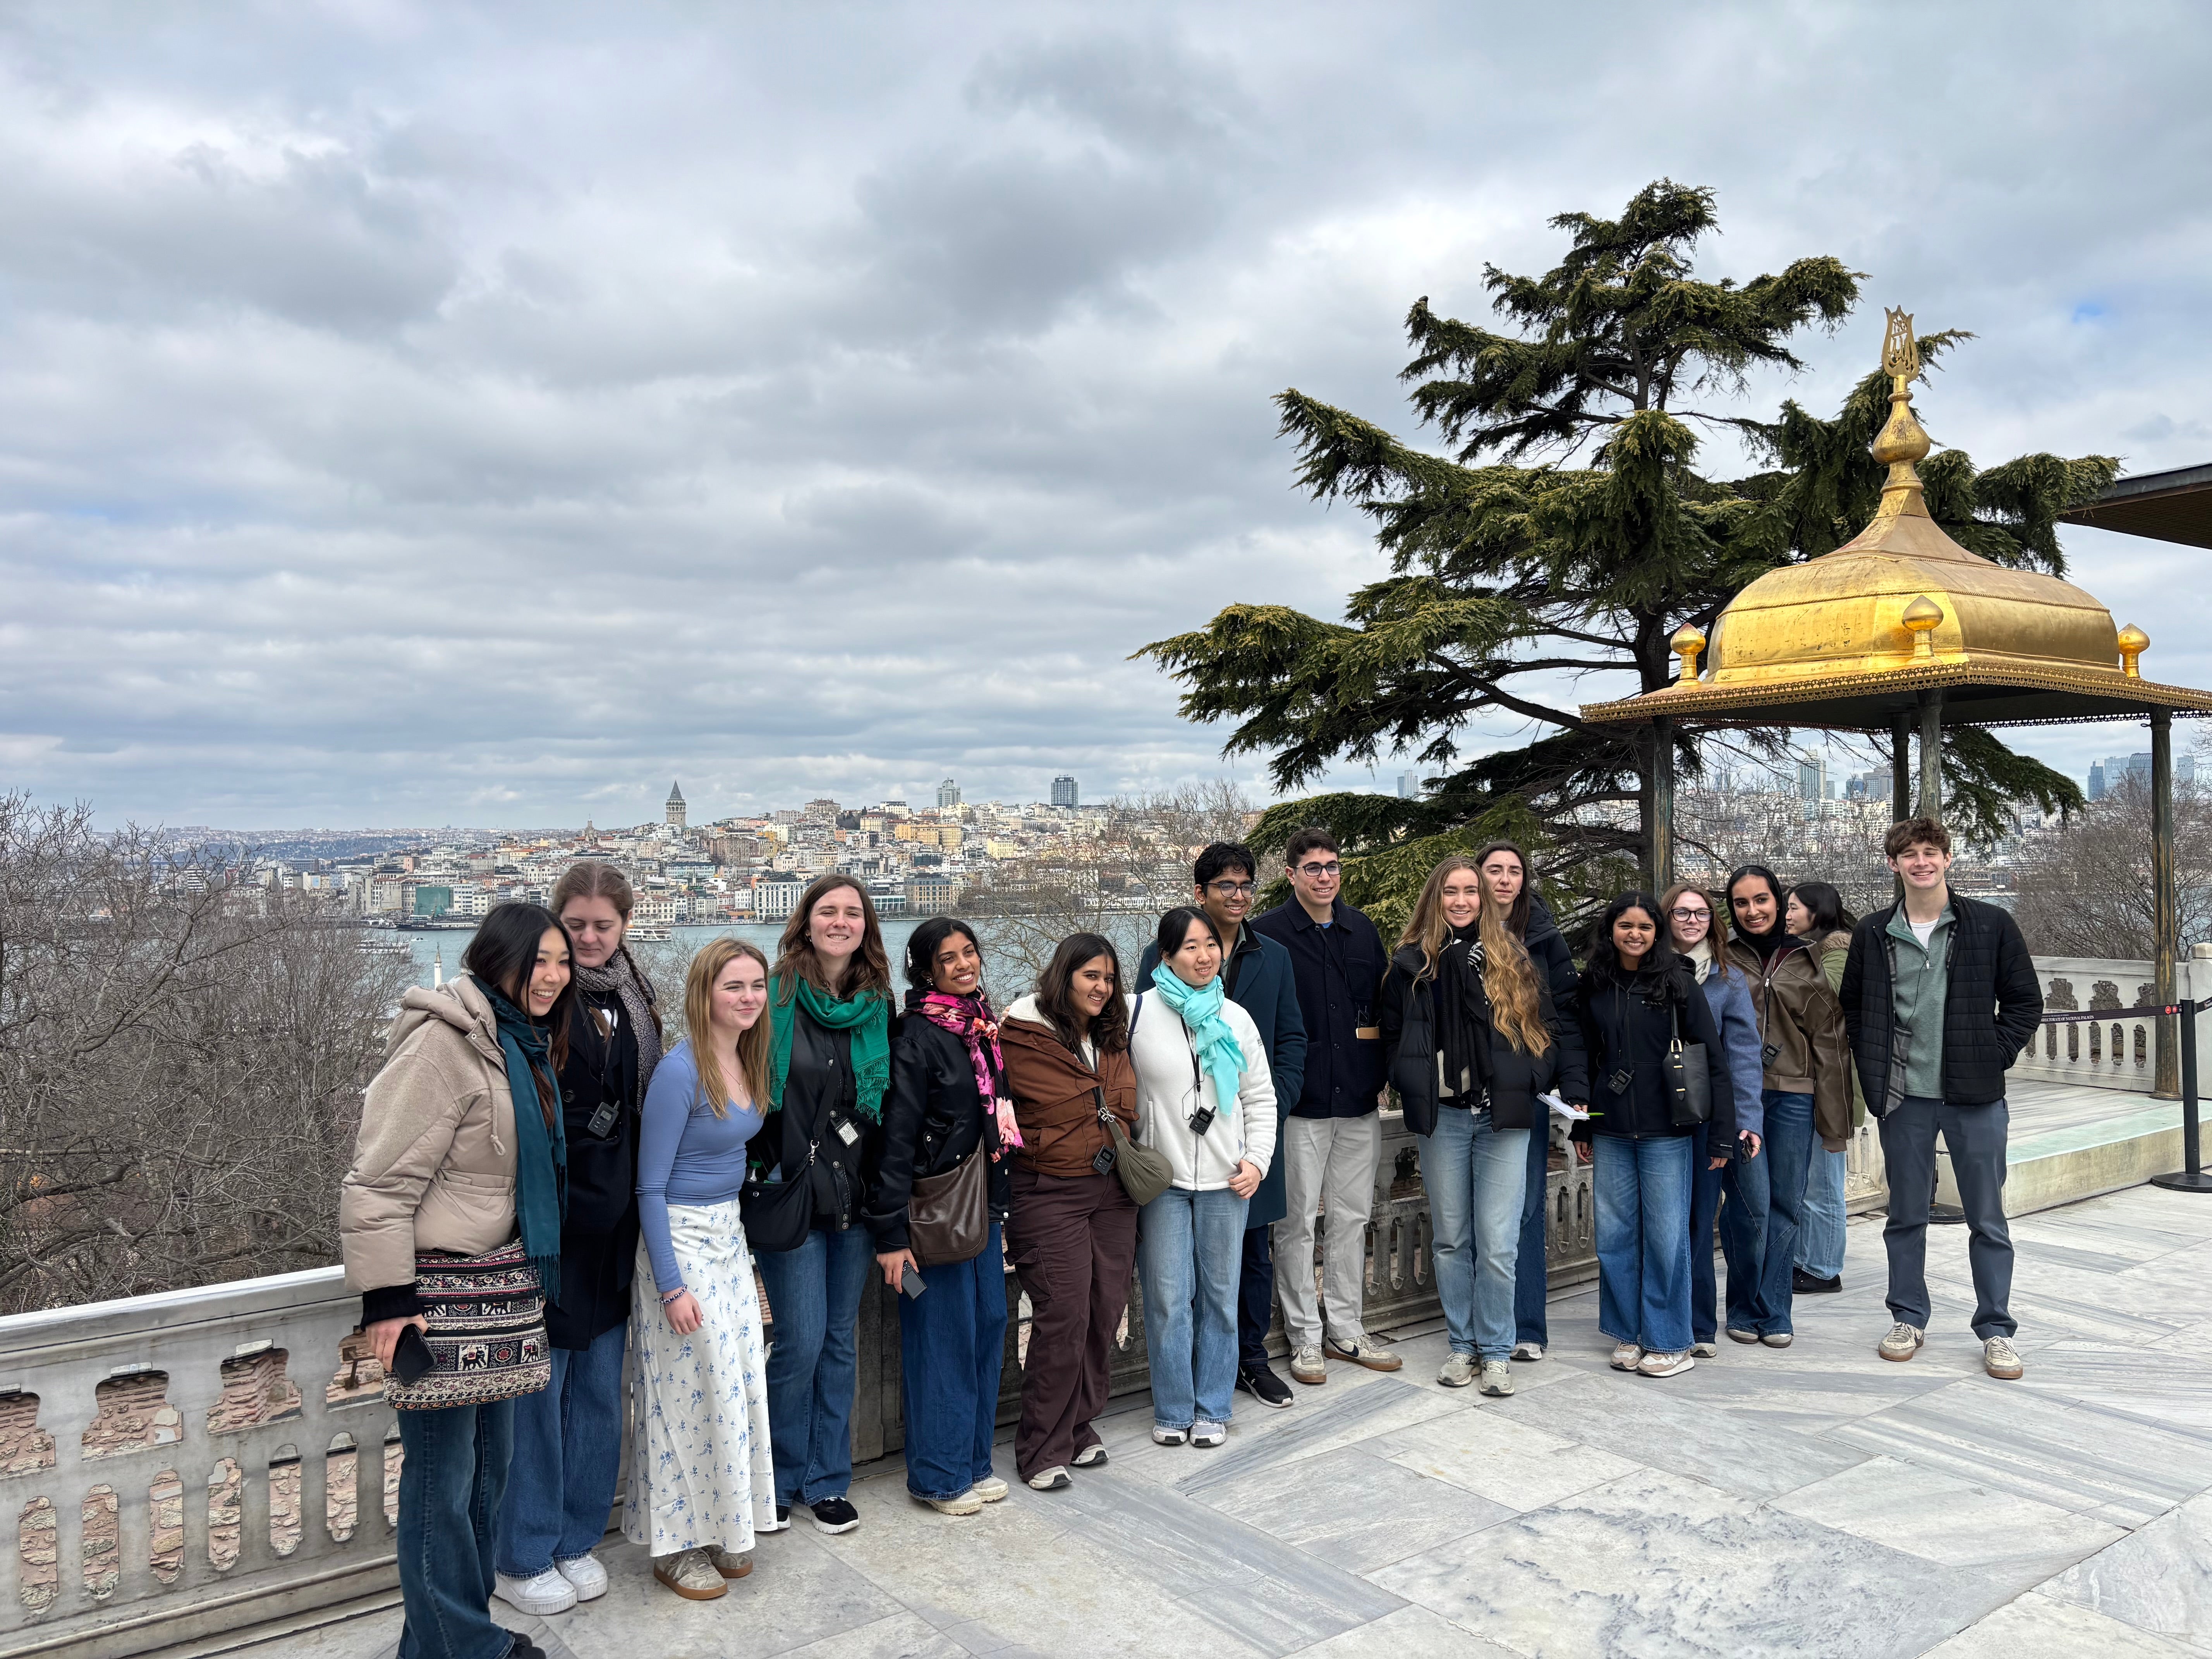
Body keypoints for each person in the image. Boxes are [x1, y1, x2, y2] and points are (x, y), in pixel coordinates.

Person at [342, 902, 572, 1659]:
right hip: (437, 1299)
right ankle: (469, 1648)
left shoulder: (517, 1044)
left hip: (496, 1289)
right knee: (441, 1485)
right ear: (496, 958)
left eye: (562, 962)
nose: (553, 976)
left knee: (485, 1481)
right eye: (539, 960)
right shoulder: (443, 1045)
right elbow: (377, 1181)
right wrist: (387, 1300)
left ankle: (444, 1637)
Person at [495, 862, 662, 1618]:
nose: (591, 939)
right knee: (543, 1395)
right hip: (553, 1233)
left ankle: (574, 1535)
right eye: (578, 925)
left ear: (625, 927)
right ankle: (522, 1551)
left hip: (614, 1228)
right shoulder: (533, 1009)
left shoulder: (635, 1003)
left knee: (598, 1395)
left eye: (604, 925)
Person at [1840, 817, 2040, 1381]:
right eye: (1910, 855)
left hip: (1974, 1095)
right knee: (1904, 1215)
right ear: (1893, 864)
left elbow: (2025, 1002)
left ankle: (1996, 1329)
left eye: (1932, 852)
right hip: (1904, 1095)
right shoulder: (1874, 932)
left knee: (1987, 1217)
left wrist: (1990, 1053)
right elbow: (1853, 1006)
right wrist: (1874, 1060)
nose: (1921, 862)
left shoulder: (1990, 925)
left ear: (1949, 859)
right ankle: (1908, 1316)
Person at [1381, 857, 1585, 1393]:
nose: (1463, 900)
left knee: (1498, 1242)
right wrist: (1408, 1079)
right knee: (1452, 1239)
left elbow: (1546, 1029)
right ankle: (1461, 1346)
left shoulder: (1510, 956)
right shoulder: (1411, 963)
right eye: (1451, 891)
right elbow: (1392, 1036)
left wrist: (1528, 1077)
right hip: (1444, 1116)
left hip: (1503, 1116)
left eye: (1471, 891)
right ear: (1435, 898)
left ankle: (1496, 1350)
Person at [627, 938, 776, 1601]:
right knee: (685, 1389)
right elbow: (649, 1187)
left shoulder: (748, 1055)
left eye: (757, 984)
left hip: (727, 1236)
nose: (748, 997)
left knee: (735, 1384)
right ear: (703, 992)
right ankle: (675, 1545)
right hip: (680, 1240)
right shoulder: (678, 1072)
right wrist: (670, 1283)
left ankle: (722, 1523)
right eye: (733, 985)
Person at [1137, 844, 1311, 1398]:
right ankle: (1188, 1373)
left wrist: (1263, 1113)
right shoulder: (1158, 956)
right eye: (1225, 887)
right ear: (1201, 893)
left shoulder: (1274, 956)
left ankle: (1251, 1360)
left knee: (1253, 1251)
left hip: (1246, 1138)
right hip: (1178, 1142)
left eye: (1245, 886)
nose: (1237, 897)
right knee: (1179, 1272)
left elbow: (1289, 1040)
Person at [752, 875, 893, 1535]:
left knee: (838, 1341)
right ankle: (778, 1477)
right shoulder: (774, 994)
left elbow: (887, 1107)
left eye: (852, 912)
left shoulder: (876, 1002)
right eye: (827, 911)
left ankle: (827, 1478)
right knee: (800, 1341)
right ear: (804, 922)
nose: (840, 922)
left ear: (867, 924)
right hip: (793, 1192)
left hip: (856, 1196)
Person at [867, 919, 1015, 1518]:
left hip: (982, 1206)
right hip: (934, 1215)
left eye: (969, 952)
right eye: (947, 957)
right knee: (941, 1337)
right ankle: (938, 1475)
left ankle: (973, 1462)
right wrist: (891, 1234)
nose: (963, 964)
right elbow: (895, 1139)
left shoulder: (981, 1026)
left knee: (989, 1324)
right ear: (925, 969)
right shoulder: (916, 1037)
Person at [1130, 907, 1278, 1448]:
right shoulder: (1136, 1014)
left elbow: (1260, 1096)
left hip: (1226, 1180)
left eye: (1210, 945)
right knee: (1167, 1299)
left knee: (1220, 1298)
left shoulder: (1235, 1018)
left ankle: (1212, 1406)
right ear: (1165, 955)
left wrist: (1257, 1159)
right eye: (1189, 947)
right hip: (1163, 1181)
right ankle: (1172, 1410)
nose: (1203, 956)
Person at [1574, 891, 1736, 1378]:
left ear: (1657, 932)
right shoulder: (1596, 984)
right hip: (1612, 1128)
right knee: (1616, 1237)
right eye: (1626, 925)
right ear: (1611, 930)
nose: (1636, 934)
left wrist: (1721, 1135)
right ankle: (1629, 1333)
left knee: (1667, 1238)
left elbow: (1714, 1059)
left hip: (1669, 1130)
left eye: (1645, 927)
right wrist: (1583, 1122)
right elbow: (1585, 1057)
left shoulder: (1678, 983)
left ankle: (1670, 1340)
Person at [1250, 829, 1389, 1398]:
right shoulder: (1267, 936)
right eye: (1312, 867)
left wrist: (1378, 1077)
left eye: (1332, 865)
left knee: (1354, 1218)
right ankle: (1306, 1335)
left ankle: (1347, 1329)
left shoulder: (1362, 931)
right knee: (1297, 1223)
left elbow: (1381, 1008)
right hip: (1301, 1105)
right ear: (1291, 875)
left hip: (1358, 1100)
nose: (1325, 876)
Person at [1000, 933, 1140, 1491]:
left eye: (1109, 979)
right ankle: (1040, 1447)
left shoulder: (1111, 1038)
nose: (1102, 989)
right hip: (1049, 1191)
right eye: (1091, 977)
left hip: (1112, 1190)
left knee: (1106, 1309)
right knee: (1063, 1315)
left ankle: (1080, 1425)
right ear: (1065, 976)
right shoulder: (1019, 1036)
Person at [1721, 864, 1850, 1348]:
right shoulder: (1724, 957)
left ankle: (1775, 1310)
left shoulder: (1808, 958)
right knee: (1746, 1206)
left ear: (1778, 901)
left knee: (1785, 1205)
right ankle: (1742, 1305)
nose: (1753, 911)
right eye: (1741, 902)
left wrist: (1836, 1122)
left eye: (1762, 900)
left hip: (1795, 1096)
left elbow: (1831, 1044)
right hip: (1740, 1098)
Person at [1472, 841, 1585, 1364]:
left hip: (1528, 1093)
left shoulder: (1542, 934)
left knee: (1524, 1209)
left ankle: (1526, 1327)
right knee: (1469, 1216)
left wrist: (1554, 1077)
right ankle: (1479, 1324)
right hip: (1468, 1092)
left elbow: (1565, 1013)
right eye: (1494, 870)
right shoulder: (1458, 927)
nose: (1504, 879)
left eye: (1514, 870)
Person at [1659, 883, 1766, 1359]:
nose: (1691, 920)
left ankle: (1700, 1324)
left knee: (1701, 1220)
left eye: (1701, 913)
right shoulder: (1644, 968)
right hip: (1653, 1112)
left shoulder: (1728, 979)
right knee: (1662, 1221)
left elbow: (1744, 1055)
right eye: (1681, 912)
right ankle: (1659, 1316)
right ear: (1666, 917)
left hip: (1707, 1116)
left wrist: (1746, 1120)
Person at [1788, 881, 1861, 1295]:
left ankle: (1823, 1266)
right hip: (1811, 1078)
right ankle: (1807, 1257)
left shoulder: (1837, 951)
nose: (1788, 914)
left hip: (1830, 1081)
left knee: (1823, 1180)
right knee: (1809, 1178)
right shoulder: (1814, 951)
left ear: (1818, 911)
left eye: (1795, 908)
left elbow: (1822, 1001)